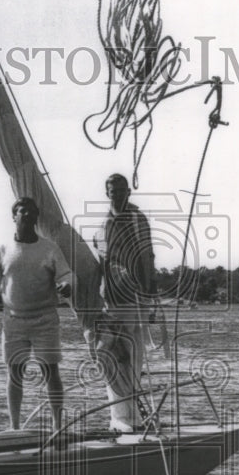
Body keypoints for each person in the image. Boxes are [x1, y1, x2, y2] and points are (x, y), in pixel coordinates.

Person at [0, 197, 73, 432]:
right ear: (14, 217)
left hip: (45, 320)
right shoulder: (3, 251)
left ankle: (58, 426)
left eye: (31, 212)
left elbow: (66, 275)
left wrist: (66, 284)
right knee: (15, 372)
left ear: (36, 218)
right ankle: (15, 427)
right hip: (14, 321)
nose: (27, 216)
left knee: (51, 370)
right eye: (22, 212)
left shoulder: (49, 248)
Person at [91, 173, 156, 433]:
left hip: (135, 298)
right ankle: (121, 416)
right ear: (107, 193)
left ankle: (132, 418)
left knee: (134, 355)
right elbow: (103, 261)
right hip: (113, 299)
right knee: (110, 353)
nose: (116, 194)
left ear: (128, 191)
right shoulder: (103, 226)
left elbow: (147, 255)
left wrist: (150, 295)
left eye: (120, 190)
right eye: (112, 190)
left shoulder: (137, 220)